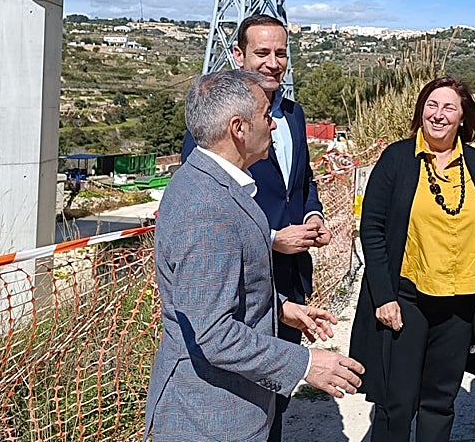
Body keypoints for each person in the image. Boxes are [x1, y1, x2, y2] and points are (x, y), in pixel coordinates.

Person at [145, 69, 363, 442]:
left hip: (228, 409)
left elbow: (222, 288)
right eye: (265, 115)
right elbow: (213, 332)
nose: (274, 126)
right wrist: (305, 364)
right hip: (208, 419)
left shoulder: (216, 184)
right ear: (238, 128)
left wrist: (280, 308)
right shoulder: (206, 209)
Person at [182, 14, 329, 442]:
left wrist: (313, 216)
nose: (272, 62)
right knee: (240, 399)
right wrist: (271, 240)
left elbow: (301, 185)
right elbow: (209, 205)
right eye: (261, 52)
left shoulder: (294, 115)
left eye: (280, 53)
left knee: (275, 401)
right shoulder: (212, 123)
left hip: (289, 286)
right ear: (238, 55)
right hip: (236, 288)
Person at [350, 76, 475, 441]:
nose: (438, 115)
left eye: (448, 107)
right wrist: (384, 296)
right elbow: (371, 229)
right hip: (408, 300)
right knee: (396, 403)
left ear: (463, 117)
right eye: (431, 105)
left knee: (440, 401)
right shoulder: (397, 159)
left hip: (461, 304)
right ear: (421, 110)